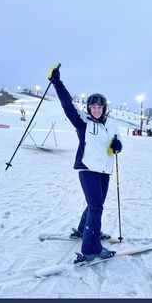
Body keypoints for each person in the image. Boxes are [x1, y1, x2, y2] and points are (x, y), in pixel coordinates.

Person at [48, 64, 122, 263]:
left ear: (104, 108)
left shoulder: (111, 125)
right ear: (89, 107)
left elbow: (116, 143)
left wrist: (117, 145)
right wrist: (57, 82)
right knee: (96, 207)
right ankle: (91, 249)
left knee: (95, 205)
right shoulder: (83, 122)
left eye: (99, 107)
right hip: (88, 169)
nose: (96, 109)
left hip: (104, 171)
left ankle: (83, 230)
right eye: (93, 106)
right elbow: (67, 104)